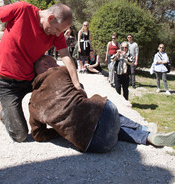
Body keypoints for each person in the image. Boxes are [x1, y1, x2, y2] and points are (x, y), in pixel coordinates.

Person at [28, 55, 175, 153]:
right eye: (54, 61)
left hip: (96, 146)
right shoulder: (58, 71)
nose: (57, 63)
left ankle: (147, 136)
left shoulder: (32, 104)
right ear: (45, 64)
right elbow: (80, 91)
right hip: (106, 115)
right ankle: (145, 131)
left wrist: (61, 131)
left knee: (105, 126)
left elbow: (38, 134)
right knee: (100, 110)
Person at [0, 1, 83, 142]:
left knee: (62, 89)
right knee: (20, 135)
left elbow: (65, 55)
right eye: (57, 29)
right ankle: (4, 109)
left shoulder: (56, 33)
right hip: (8, 83)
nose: (57, 34)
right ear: (50, 18)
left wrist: (77, 84)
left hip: (32, 79)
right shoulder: (23, 10)